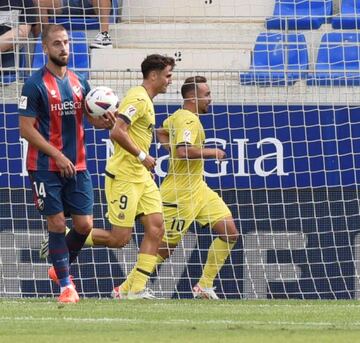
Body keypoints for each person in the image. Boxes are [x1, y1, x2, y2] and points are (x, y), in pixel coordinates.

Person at [18, 24, 116, 303]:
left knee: (84, 225)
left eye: (66, 42)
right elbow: (26, 129)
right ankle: (65, 286)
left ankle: (58, 267)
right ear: (46, 48)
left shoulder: (79, 81)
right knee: (58, 223)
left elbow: (89, 119)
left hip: (78, 166)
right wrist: (57, 155)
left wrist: (104, 122)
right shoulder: (34, 84)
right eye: (57, 44)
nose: (64, 48)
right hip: (45, 167)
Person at [155, 76, 239, 299]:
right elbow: (183, 151)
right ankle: (129, 285)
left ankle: (204, 285)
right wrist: (214, 152)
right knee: (165, 249)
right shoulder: (188, 120)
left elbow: (160, 131)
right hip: (179, 193)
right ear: (192, 97)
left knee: (230, 233)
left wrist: (170, 148)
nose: (210, 99)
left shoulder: (178, 117)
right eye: (207, 95)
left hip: (199, 188)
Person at [33, 0, 113, 48]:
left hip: (90, 4)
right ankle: (47, 38)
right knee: (39, 1)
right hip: (64, 3)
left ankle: (104, 36)